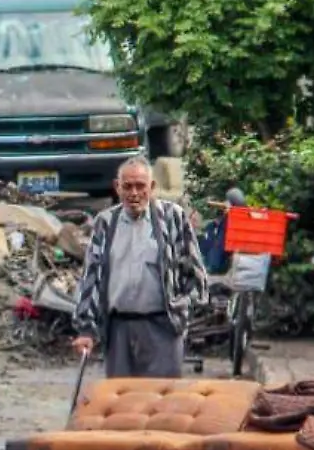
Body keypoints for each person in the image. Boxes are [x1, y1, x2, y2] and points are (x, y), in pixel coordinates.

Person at [71, 158, 210, 378]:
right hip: (118, 329)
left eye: (140, 186)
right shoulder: (105, 223)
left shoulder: (173, 218)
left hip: (163, 327)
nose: (134, 193)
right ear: (117, 187)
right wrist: (86, 329)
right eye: (127, 186)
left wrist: (181, 311)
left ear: (152, 187)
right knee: (122, 403)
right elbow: (91, 277)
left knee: (161, 403)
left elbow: (197, 277)